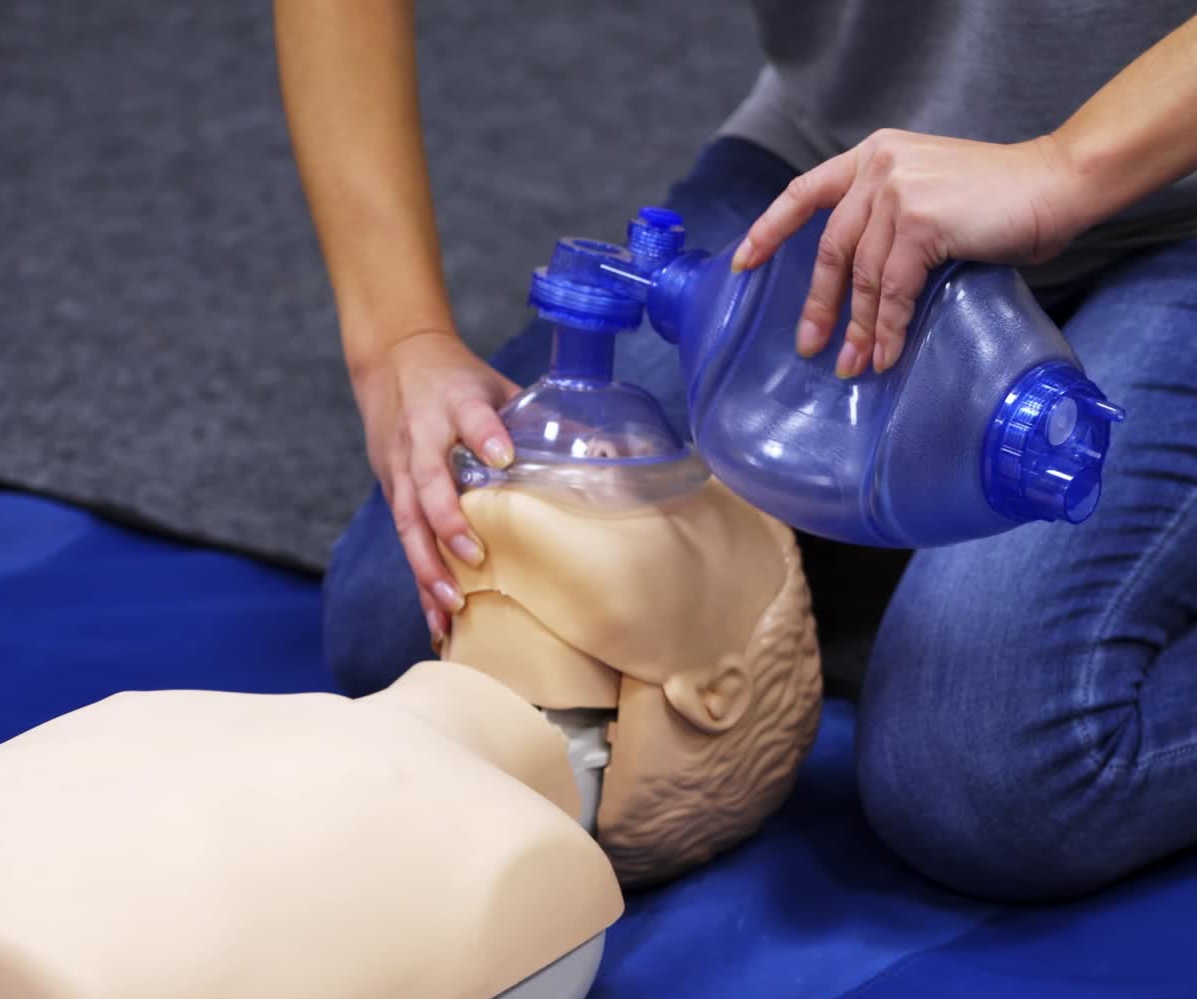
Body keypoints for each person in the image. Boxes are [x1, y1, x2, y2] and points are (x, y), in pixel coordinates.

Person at [273, 1, 1197, 902]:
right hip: (838, 177)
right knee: (405, 612)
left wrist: (1064, 167)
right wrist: (395, 339)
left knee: (983, 779)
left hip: (1175, 202)